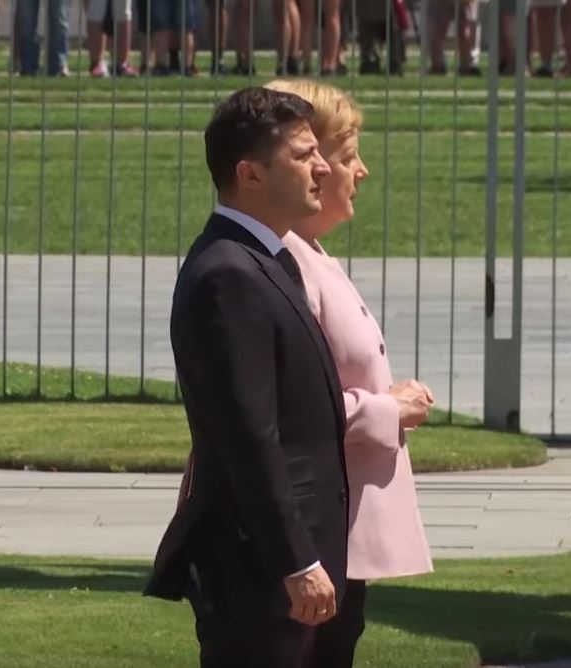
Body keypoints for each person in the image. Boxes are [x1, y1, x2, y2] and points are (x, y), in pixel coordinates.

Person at [144, 87, 350, 667]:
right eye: (302, 154)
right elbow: (250, 436)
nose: (323, 167)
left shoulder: (265, 259)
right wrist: (297, 563)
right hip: (265, 575)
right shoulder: (228, 275)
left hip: (294, 568)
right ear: (249, 174)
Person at [266, 79, 434, 667]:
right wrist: (390, 408)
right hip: (317, 530)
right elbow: (289, 406)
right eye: (345, 156)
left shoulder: (312, 254)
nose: (358, 171)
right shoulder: (287, 262)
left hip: (339, 530)